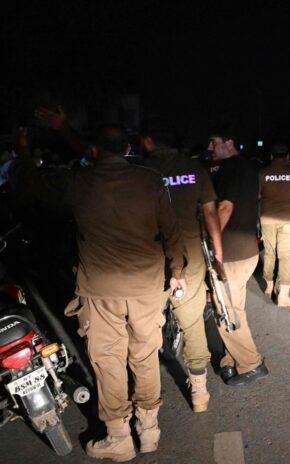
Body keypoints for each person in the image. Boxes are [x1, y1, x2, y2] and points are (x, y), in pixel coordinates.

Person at [16, 124, 187, 461]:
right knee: (145, 357)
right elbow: (171, 229)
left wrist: (23, 151)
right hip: (146, 287)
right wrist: (177, 272)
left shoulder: (78, 182)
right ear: (127, 149)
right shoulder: (151, 180)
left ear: (94, 151)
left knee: (108, 361)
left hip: (100, 291)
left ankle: (119, 438)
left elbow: (30, 184)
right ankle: (149, 431)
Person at [139, 118, 223, 412]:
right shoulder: (194, 168)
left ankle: (145, 399)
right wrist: (218, 252)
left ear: (148, 141)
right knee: (191, 319)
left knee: (144, 322)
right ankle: (199, 391)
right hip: (189, 254)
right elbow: (210, 213)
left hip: (149, 254)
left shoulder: (140, 170)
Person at [207, 133, 268, 385]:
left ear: (229, 143)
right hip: (247, 250)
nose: (209, 147)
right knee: (234, 308)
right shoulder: (250, 167)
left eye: (214, 142)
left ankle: (251, 365)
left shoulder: (229, 168)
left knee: (226, 311)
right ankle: (230, 360)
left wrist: (211, 241)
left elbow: (225, 207)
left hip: (230, 253)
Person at [258, 144, 290, 307]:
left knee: (269, 253)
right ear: (287, 156)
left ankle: (269, 286)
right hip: (289, 219)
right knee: (287, 255)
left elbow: (256, 195)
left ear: (271, 156)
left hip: (267, 218)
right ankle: (283, 294)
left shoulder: (263, 173)